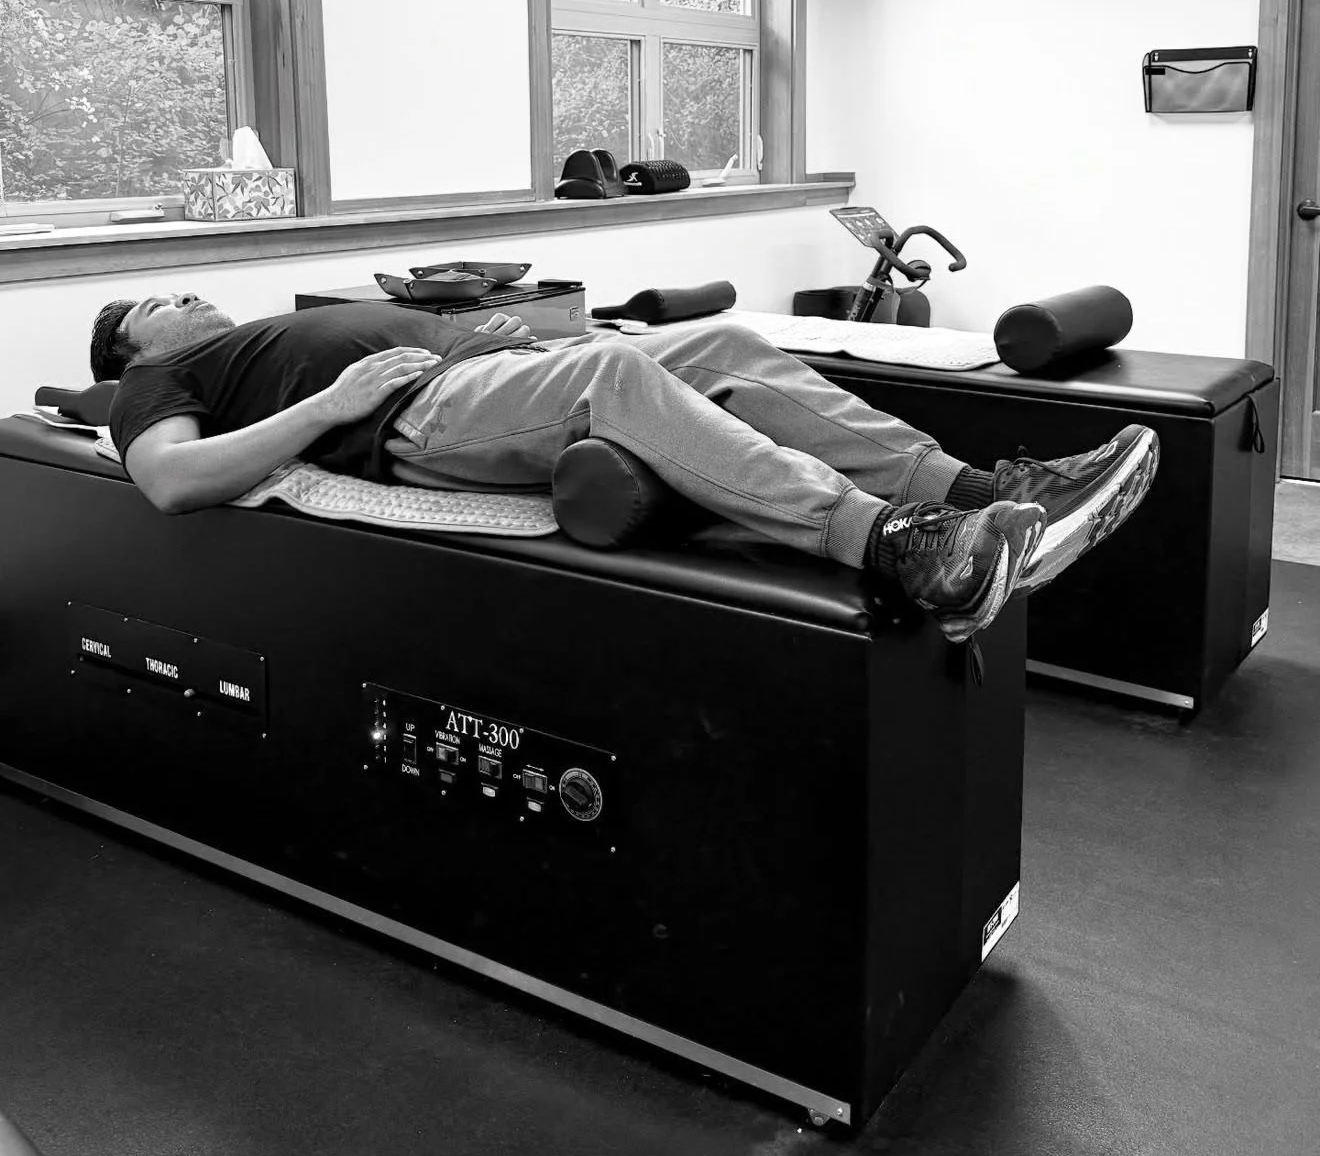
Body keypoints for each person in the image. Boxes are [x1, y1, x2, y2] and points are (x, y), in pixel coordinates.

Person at [89, 292, 1159, 650]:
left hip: (487, 367)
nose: (187, 299)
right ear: (131, 350)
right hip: (418, 415)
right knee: (613, 371)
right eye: (159, 304)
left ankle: (982, 493)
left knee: (728, 342)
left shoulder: (255, 327)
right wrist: (331, 403)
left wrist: (508, 337)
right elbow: (171, 482)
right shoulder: (157, 380)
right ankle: (898, 546)